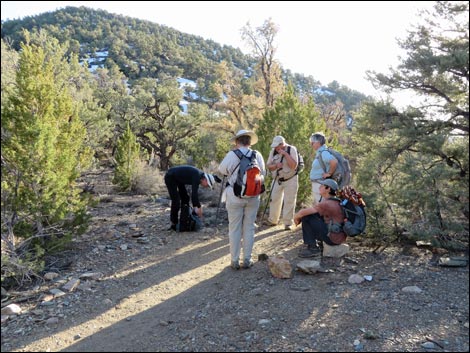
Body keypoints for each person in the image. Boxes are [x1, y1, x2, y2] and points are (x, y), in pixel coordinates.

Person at [218, 129, 266, 270]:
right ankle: (247, 259)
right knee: (249, 227)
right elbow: (263, 173)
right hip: (253, 196)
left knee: (235, 228)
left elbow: (222, 170)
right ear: (250, 142)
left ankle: (234, 260)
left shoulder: (232, 154)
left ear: (237, 142)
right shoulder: (257, 155)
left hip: (235, 194)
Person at [293, 179, 347, 258]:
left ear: (328, 188)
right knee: (314, 215)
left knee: (306, 217)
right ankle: (320, 244)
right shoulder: (337, 201)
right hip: (339, 237)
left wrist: (296, 217)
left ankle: (313, 249)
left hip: (333, 239)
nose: (319, 187)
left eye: (322, 186)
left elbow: (302, 213)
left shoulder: (327, 204)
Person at [164, 165, 215, 231]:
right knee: (176, 201)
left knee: (185, 198)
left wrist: (196, 207)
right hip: (170, 177)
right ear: (205, 180)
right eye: (208, 185)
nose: (206, 186)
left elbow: (194, 196)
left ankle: (185, 219)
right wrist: (198, 207)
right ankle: (173, 223)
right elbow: (194, 195)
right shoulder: (197, 176)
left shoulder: (199, 176)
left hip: (178, 179)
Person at [264, 135, 299, 230]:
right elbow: (269, 166)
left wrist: (285, 154)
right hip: (277, 179)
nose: (275, 148)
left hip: (290, 179)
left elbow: (293, 166)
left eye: (277, 146)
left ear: (282, 144)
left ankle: (288, 223)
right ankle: (273, 220)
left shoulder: (291, 149)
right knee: (274, 199)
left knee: (289, 200)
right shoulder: (273, 151)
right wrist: (276, 165)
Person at [309, 132, 338, 205]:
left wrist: (329, 173)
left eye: (312, 143)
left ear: (318, 143)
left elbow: (334, 162)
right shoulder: (320, 152)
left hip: (320, 184)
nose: (311, 145)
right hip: (319, 184)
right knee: (318, 206)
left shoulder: (323, 152)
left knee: (321, 207)